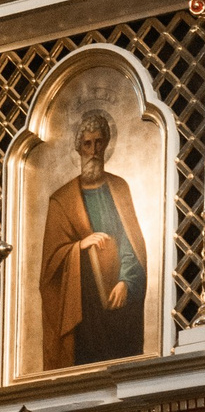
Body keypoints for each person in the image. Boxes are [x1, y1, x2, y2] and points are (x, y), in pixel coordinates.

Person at [38, 108, 148, 369]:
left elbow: (131, 243)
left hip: (117, 299)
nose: (94, 150)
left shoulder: (119, 188)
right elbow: (49, 268)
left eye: (99, 142)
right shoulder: (61, 200)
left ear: (107, 144)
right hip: (82, 302)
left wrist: (126, 281)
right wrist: (79, 246)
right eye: (87, 144)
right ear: (79, 148)